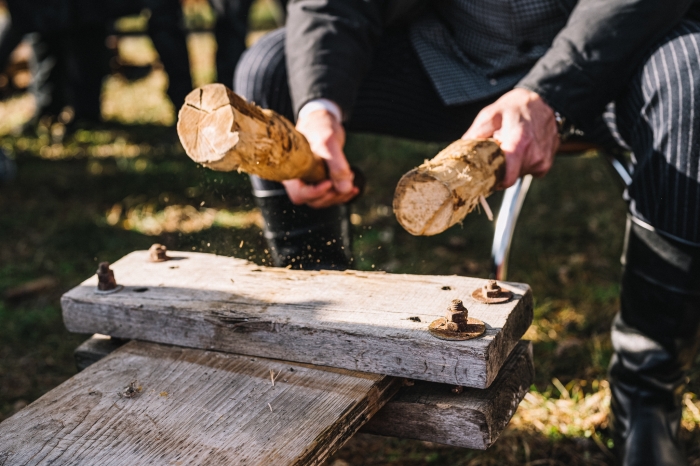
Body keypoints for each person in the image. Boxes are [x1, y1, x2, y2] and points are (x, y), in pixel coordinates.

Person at [233, 1, 700, 464]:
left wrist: (550, 89)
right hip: (453, 61)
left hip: (612, 59)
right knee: (272, 71)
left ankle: (647, 400)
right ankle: (327, 361)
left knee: (691, 75)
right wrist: (319, 108)